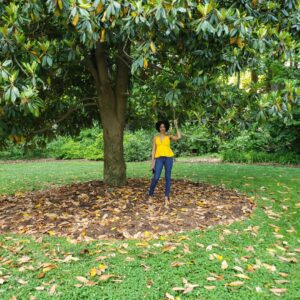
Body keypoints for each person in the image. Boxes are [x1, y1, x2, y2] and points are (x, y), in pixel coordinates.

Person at [147, 119, 181, 206]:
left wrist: (176, 125)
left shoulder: (169, 136)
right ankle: (150, 195)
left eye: (164, 127)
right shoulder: (155, 138)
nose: (162, 128)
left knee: (168, 178)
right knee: (156, 177)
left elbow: (179, 137)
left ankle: (166, 197)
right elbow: (153, 151)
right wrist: (152, 163)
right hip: (159, 159)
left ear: (166, 128)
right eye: (161, 127)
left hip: (169, 158)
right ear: (159, 128)